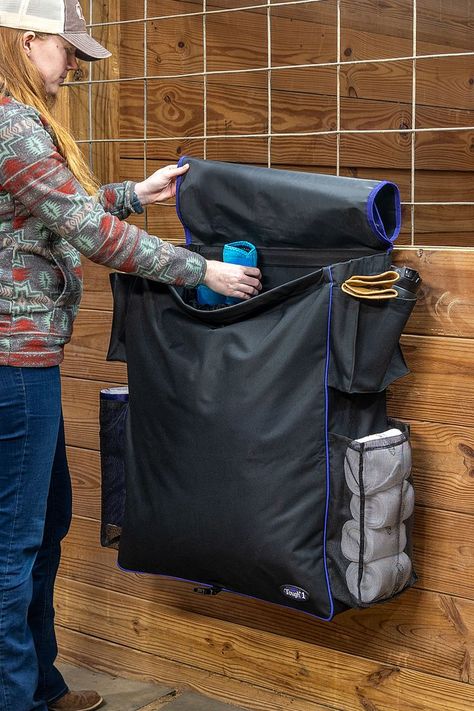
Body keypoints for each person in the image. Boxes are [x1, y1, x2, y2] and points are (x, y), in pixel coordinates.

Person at [0, 1, 262, 710]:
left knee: (44, 525)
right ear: (27, 43)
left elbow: (56, 208)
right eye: (68, 49)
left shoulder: (20, 124)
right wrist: (199, 270)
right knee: (16, 542)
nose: (76, 65)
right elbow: (90, 234)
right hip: (12, 361)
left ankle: (40, 686)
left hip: (27, 358)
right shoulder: (12, 123)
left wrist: (133, 194)